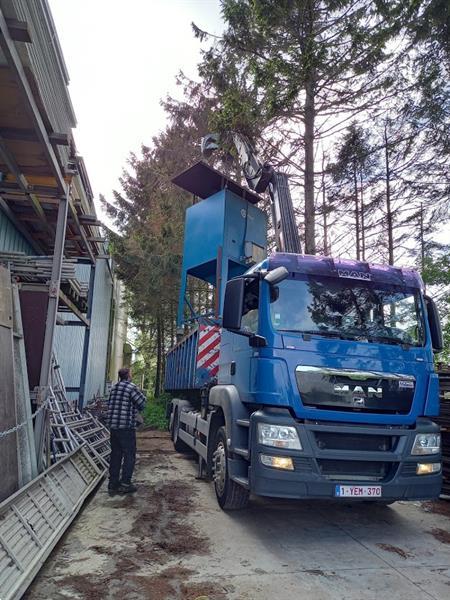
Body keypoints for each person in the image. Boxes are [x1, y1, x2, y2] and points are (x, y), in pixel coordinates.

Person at [106, 367, 146, 495]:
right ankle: (125, 484)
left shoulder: (114, 388)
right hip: (126, 428)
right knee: (129, 455)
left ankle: (113, 483)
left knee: (115, 455)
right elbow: (142, 403)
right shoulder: (131, 387)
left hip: (113, 427)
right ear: (128, 375)